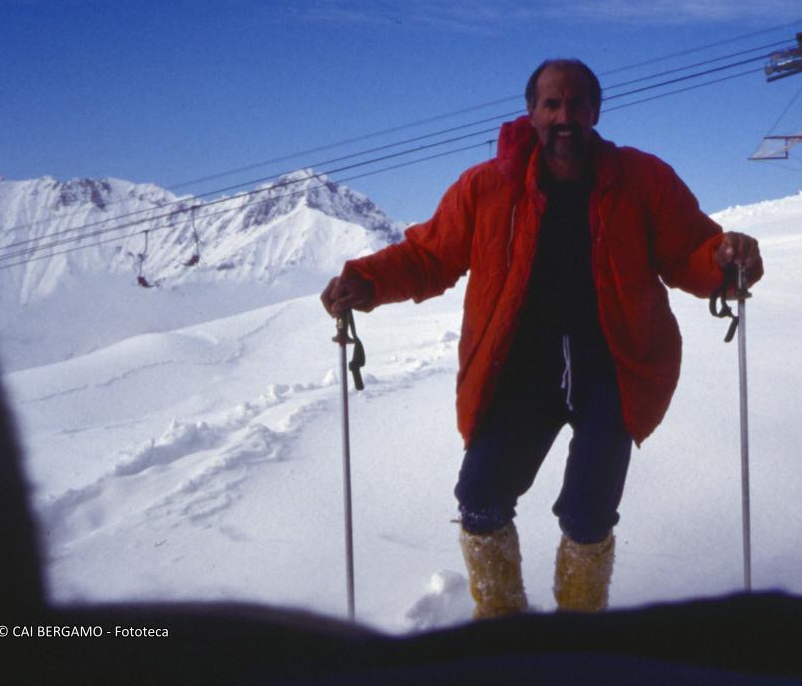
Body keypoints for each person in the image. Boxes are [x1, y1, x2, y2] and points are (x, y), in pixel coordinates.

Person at [321, 58, 762, 618]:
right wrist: (367, 280)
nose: (564, 116)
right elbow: (431, 253)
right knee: (480, 497)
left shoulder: (641, 180)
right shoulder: (487, 187)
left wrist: (725, 259)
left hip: (612, 365)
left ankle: (578, 632)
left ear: (595, 112)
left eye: (576, 103)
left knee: (588, 511)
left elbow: (689, 250)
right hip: (521, 366)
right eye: (551, 104)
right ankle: (503, 622)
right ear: (530, 113)